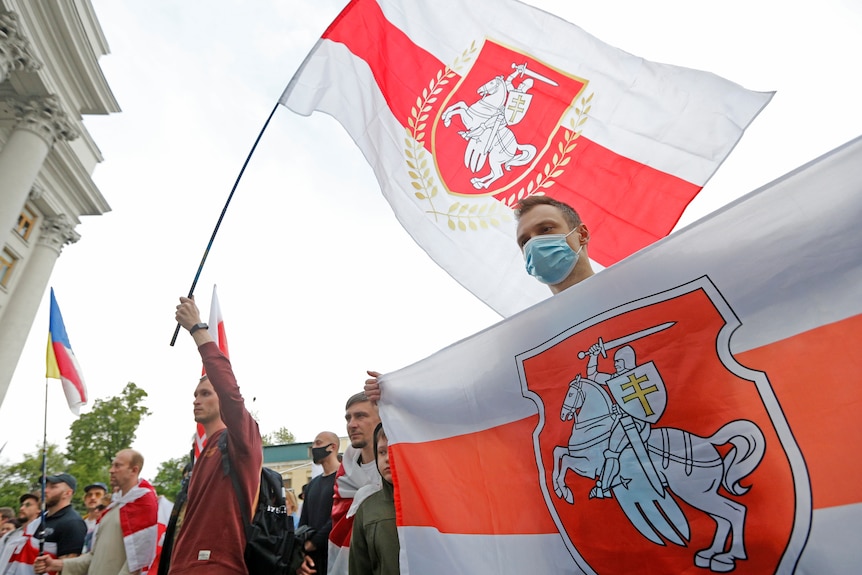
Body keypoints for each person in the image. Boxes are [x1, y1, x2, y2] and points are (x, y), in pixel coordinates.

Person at [364, 197, 595, 403]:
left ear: (581, 234)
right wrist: (397, 392)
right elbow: (472, 398)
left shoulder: (630, 290)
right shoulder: (531, 340)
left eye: (545, 229)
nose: (534, 244)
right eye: (524, 242)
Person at [168, 296, 262, 575]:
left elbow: (230, 392)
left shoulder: (242, 439)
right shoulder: (202, 452)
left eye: (206, 393)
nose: (197, 400)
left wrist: (198, 329)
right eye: (196, 394)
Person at [34, 450, 159, 575]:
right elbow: (93, 558)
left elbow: (139, 564)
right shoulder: (113, 508)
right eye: (112, 465)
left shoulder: (144, 505)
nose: (111, 470)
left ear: (134, 470)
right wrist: (56, 564)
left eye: (117, 466)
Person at [299, 393, 381, 575]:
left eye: (361, 416)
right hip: (331, 563)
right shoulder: (344, 478)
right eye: (348, 418)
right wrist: (301, 551)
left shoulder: (393, 472)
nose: (352, 424)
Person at [7, 474, 86, 574]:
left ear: (68, 493)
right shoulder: (40, 520)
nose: (45, 490)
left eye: (53, 487)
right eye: (45, 486)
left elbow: (68, 567)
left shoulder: (72, 523)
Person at [348, 424, 398, 575]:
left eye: (394, 450)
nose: (387, 458)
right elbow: (359, 567)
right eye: (382, 452)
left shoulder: (433, 504)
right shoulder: (367, 508)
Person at [296, 431, 340, 575]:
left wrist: (313, 543)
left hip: (335, 557)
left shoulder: (345, 478)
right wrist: (301, 551)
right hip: (312, 563)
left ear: (332, 447)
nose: (314, 447)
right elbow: (304, 521)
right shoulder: (312, 485)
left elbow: (339, 516)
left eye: (319, 443)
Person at [80, 482, 108, 553]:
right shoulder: (79, 522)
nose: (93, 498)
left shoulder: (107, 522)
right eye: (89, 495)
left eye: (98, 494)